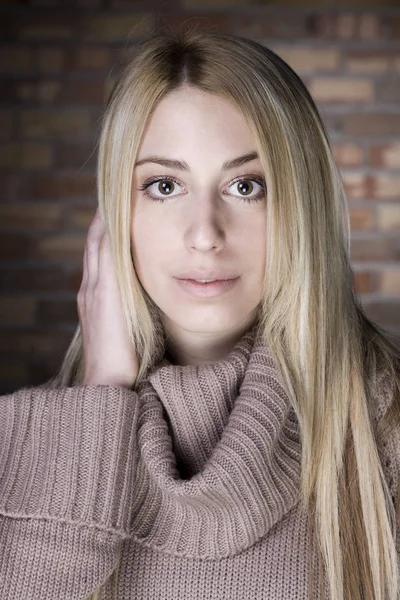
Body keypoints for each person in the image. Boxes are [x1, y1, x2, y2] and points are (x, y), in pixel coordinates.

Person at [0, 26, 399, 600]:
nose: (205, 235)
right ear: (116, 213)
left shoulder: (385, 429)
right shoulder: (25, 453)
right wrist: (102, 394)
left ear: (301, 206)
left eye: (246, 186)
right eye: (164, 185)